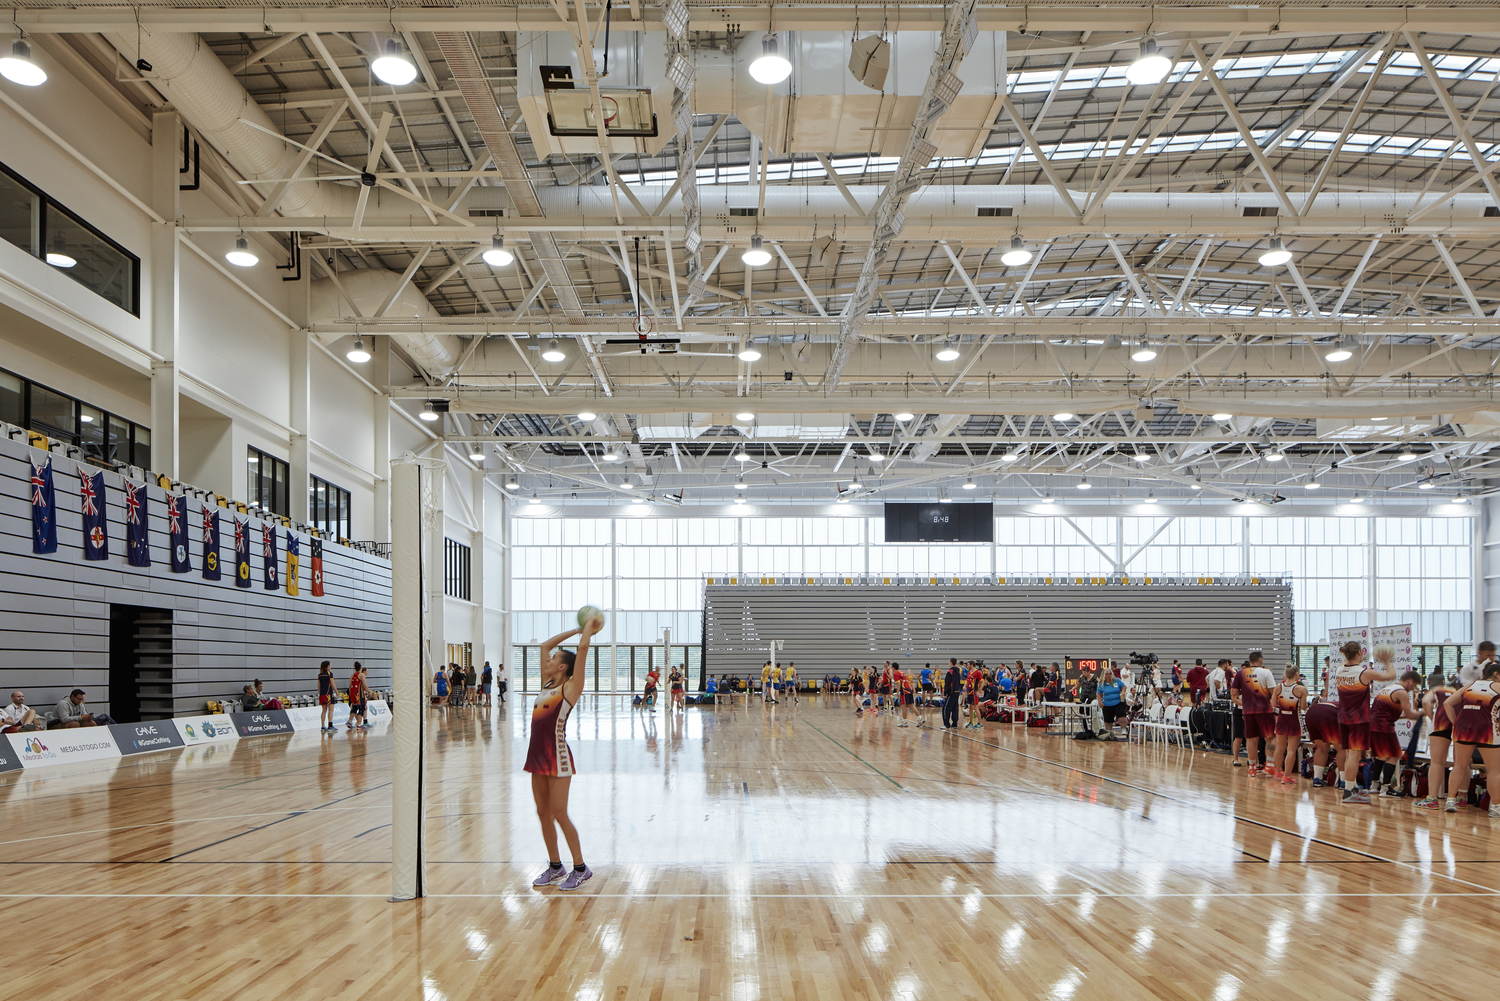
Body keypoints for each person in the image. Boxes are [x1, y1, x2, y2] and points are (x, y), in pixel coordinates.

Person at [528, 615, 601, 891]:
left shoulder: (570, 687)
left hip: (557, 755)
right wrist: (575, 629)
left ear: (562, 666)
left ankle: (581, 868)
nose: (548, 660)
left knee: (559, 812)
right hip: (535, 755)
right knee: (542, 812)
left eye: (554, 658)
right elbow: (545, 646)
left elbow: (581, 651)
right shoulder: (547, 684)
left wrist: (587, 633)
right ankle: (555, 866)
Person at [1335, 639, 1397, 805]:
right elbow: (1391, 676)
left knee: (1349, 754)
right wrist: (1386, 661)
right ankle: (1348, 792)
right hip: (1358, 720)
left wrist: (1360, 654)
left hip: (1342, 718)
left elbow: (1346, 660)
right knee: (1354, 756)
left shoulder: (1339, 669)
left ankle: (1352, 787)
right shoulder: (1364, 672)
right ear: (1359, 653)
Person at [1442, 661, 1500, 816]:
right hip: (1486, 729)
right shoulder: (1498, 687)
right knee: (1494, 770)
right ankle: (1495, 807)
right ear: (1496, 674)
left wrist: (1456, 723)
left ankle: (1451, 801)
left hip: (1463, 729)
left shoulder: (1469, 685)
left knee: (1459, 765)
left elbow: (1447, 703)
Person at [1369, 671, 1422, 796]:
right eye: (1414, 686)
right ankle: (1386, 788)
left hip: (1373, 724)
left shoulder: (1387, 689)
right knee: (1394, 755)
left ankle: (1375, 785)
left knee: (1381, 756)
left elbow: (1394, 715)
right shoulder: (1402, 692)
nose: (1412, 690)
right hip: (1383, 726)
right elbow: (1409, 714)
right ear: (1410, 681)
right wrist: (1423, 712)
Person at [1414, 674, 1457, 809]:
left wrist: (1432, 718)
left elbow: (1426, 702)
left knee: (1437, 761)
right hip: (1460, 722)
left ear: (1428, 682)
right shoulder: (1457, 690)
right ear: (1444, 681)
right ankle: (1461, 798)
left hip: (1442, 722)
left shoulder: (1435, 691)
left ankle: (1432, 798)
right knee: (1461, 764)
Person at [1232, 653, 1275, 775]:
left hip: (1248, 711)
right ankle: (1270, 765)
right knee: (1270, 738)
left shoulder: (1241, 673)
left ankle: (1252, 767)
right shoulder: (1266, 672)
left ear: (1250, 661)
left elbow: (1233, 695)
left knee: (1251, 739)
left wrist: (1245, 701)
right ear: (1260, 660)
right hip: (1264, 710)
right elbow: (1273, 692)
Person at [1304, 670, 1342, 788]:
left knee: (1322, 747)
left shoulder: (1339, 702)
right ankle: (1345, 782)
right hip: (1327, 715)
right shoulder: (1355, 710)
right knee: (1342, 749)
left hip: (1311, 713)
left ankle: (1317, 778)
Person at [1272, 665, 1308, 786]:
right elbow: (1303, 707)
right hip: (1294, 721)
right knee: (1291, 750)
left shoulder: (1278, 687)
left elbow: (1273, 703)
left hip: (1282, 720)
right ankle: (1287, 776)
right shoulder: (1301, 689)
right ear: (1297, 674)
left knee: (1280, 747)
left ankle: (1278, 772)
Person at [1096, 668, 1127, 740]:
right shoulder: (1102, 684)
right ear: (1104, 675)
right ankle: (1109, 733)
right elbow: (1098, 694)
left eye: (1110, 674)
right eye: (1107, 674)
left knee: (1121, 716)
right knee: (1108, 720)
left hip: (1118, 701)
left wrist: (1122, 692)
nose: (1109, 675)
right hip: (1107, 703)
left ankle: (1123, 729)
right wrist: (1099, 702)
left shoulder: (1117, 680)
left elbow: (1123, 686)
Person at [347, 662, 370, 729]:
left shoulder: (353, 675)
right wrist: (369, 690)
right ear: (361, 668)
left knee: (354, 708)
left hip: (353, 694)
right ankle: (359, 725)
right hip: (359, 694)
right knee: (361, 708)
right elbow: (364, 684)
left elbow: (350, 685)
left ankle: (349, 721)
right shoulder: (362, 675)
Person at [317, 661, 338, 731]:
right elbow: (332, 684)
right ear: (328, 666)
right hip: (329, 694)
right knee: (331, 710)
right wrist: (337, 692)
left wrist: (320, 694)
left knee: (324, 711)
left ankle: (322, 726)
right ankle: (330, 725)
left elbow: (319, 686)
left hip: (322, 694)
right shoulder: (329, 674)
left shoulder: (319, 675)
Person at [943, 660, 961, 729]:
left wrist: (945, 693)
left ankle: (946, 724)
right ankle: (955, 724)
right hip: (957, 691)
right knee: (955, 708)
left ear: (951, 662)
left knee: (946, 708)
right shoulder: (957, 671)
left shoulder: (950, 672)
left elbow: (947, 683)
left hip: (951, 692)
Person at [966, 661, 985, 729]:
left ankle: (980, 723)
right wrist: (965, 686)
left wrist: (979, 690)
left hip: (974, 692)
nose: (967, 666)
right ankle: (971, 722)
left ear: (971, 665)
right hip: (969, 692)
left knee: (975, 707)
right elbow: (967, 681)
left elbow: (982, 681)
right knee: (970, 707)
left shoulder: (977, 672)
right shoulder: (969, 673)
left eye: (968, 665)